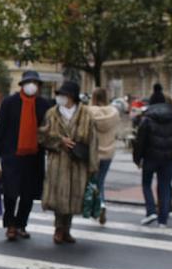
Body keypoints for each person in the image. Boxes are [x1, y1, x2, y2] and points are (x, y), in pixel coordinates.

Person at [0, 70, 53, 242]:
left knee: (28, 194)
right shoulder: (10, 103)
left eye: (35, 82)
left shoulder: (44, 105)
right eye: (29, 82)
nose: (32, 85)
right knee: (10, 193)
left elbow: (49, 130)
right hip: (12, 155)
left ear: (39, 86)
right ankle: (10, 225)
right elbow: (0, 129)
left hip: (34, 156)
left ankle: (21, 225)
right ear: (23, 85)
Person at [39, 80, 98, 245]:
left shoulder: (86, 114)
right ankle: (58, 228)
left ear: (71, 96)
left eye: (63, 95)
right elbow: (42, 136)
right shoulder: (52, 113)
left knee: (73, 197)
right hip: (58, 161)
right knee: (59, 197)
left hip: (78, 163)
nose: (60, 97)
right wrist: (59, 141)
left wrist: (93, 166)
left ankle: (67, 229)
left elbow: (93, 141)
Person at [133, 89, 172, 226]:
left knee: (146, 184)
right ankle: (163, 219)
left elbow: (140, 141)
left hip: (150, 157)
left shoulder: (147, 118)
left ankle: (151, 211)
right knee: (165, 186)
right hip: (168, 158)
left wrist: (137, 159)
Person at [88, 87, 119, 225]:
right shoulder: (114, 113)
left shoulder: (89, 112)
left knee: (93, 182)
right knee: (100, 182)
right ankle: (100, 206)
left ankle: (98, 206)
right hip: (108, 153)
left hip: (94, 153)